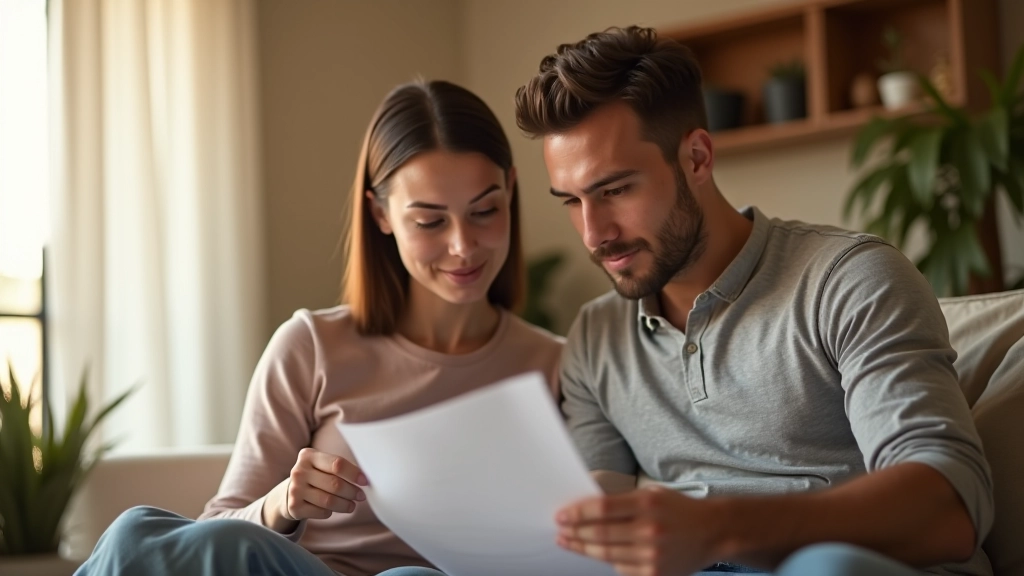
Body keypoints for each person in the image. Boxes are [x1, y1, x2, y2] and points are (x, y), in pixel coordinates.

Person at [512, 26, 994, 576]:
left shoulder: (848, 280)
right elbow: (596, 516)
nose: (594, 233)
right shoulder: (596, 338)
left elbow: (952, 508)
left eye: (615, 190)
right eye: (571, 201)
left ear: (696, 157)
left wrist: (719, 529)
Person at [74, 79, 564, 576]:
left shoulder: (557, 367)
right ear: (381, 214)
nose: (463, 245)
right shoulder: (312, 346)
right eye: (430, 222)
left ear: (511, 191)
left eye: (485, 211)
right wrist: (282, 504)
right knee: (136, 530)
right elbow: (217, 531)